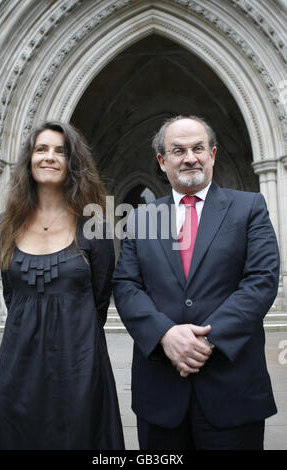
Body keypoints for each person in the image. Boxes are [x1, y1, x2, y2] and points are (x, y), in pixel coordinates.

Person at [112, 115, 280, 450]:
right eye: (178, 150)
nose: (190, 157)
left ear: (213, 154)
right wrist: (165, 334)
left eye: (198, 148)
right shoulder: (142, 218)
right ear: (162, 161)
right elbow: (126, 286)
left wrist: (208, 339)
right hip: (161, 393)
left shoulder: (249, 208)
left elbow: (261, 281)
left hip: (233, 391)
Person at [0, 121, 125, 450]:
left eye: (60, 151)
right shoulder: (4, 227)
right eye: (41, 149)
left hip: (79, 366)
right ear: (29, 160)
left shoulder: (95, 228)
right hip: (19, 367)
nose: (49, 157)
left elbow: (99, 301)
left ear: (71, 163)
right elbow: (13, 296)